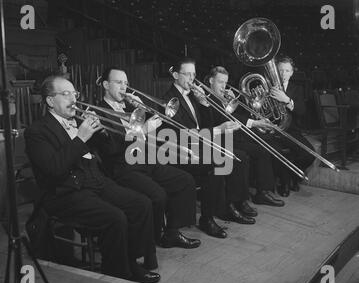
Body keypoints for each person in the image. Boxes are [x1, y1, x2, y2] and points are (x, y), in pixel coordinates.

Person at [24, 75, 160, 283]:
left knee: (141, 204)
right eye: (66, 94)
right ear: (50, 101)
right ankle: (118, 274)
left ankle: (131, 260)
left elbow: (113, 150)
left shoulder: (79, 121)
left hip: (96, 181)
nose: (73, 99)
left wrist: (102, 132)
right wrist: (80, 137)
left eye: (74, 93)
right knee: (115, 217)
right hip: (65, 191)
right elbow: (54, 169)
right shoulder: (37, 131)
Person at [93, 66, 201, 250]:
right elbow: (110, 149)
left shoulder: (130, 107)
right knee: (158, 195)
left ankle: (171, 232)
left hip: (146, 160)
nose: (124, 88)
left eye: (126, 83)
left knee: (184, 180)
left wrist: (143, 106)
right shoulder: (97, 111)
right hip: (122, 167)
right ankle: (151, 237)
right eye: (118, 83)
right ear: (105, 85)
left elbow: (159, 123)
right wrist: (140, 132)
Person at [162, 57, 256, 240]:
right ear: (175, 75)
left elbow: (204, 125)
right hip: (180, 151)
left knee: (235, 158)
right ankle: (207, 218)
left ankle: (227, 206)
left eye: (194, 74)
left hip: (198, 146)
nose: (191, 78)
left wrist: (204, 104)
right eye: (187, 74)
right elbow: (182, 134)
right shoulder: (170, 100)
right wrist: (217, 130)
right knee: (217, 162)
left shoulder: (192, 96)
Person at [207, 66, 284, 207]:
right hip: (219, 139)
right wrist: (253, 122)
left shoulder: (220, 97)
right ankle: (239, 200)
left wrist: (254, 121)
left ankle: (263, 192)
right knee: (244, 155)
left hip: (233, 135)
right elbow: (222, 118)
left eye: (225, 82)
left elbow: (232, 115)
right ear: (211, 81)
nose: (224, 86)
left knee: (263, 148)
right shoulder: (207, 98)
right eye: (220, 82)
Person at [269, 56, 315, 196]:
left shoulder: (297, 89)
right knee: (280, 153)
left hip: (292, 130)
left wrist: (287, 100)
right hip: (273, 130)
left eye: (287, 70)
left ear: (292, 72)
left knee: (309, 155)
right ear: (276, 71)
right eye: (281, 70)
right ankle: (284, 183)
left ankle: (292, 176)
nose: (283, 74)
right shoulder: (268, 87)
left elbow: (302, 111)